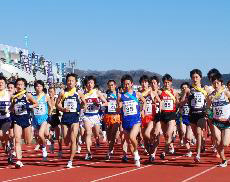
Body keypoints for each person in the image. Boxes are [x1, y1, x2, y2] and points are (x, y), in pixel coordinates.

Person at [56, 73, 86, 168]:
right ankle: (75, 143)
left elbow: (84, 104)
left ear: (76, 82)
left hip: (75, 118)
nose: (70, 82)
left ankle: (70, 160)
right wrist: (63, 109)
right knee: (66, 140)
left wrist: (82, 105)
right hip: (65, 118)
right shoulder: (62, 92)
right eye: (68, 80)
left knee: (73, 139)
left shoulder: (79, 92)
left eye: (72, 80)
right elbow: (57, 105)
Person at [118, 74, 146, 167]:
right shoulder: (121, 96)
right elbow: (119, 108)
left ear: (132, 84)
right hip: (126, 121)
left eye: (128, 84)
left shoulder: (137, 94)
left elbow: (144, 101)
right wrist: (119, 107)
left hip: (136, 120)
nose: (126, 86)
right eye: (124, 84)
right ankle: (135, 154)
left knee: (132, 137)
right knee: (129, 143)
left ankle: (136, 153)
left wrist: (143, 110)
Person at [181, 69, 209, 162]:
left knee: (198, 133)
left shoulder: (205, 89)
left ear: (200, 78)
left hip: (201, 114)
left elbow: (210, 100)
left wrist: (208, 111)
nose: (195, 79)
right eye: (193, 77)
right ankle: (201, 146)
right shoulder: (189, 89)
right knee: (196, 135)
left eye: (197, 77)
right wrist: (187, 98)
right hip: (192, 113)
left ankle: (197, 154)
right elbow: (181, 102)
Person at [11, 78, 38, 168]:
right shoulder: (13, 97)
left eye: (21, 84)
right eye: (18, 84)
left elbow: (36, 104)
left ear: (24, 86)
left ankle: (32, 131)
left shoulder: (27, 95)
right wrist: (11, 107)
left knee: (28, 142)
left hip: (26, 120)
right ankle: (19, 160)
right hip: (17, 119)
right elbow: (11, 108)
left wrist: (28, 106)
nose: (19, 86)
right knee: (17, 140)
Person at [207, 73, 230, 167]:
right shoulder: (210, 95)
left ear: (221, 83)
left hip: (226, 121)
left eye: (217, 83)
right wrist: (209, 115)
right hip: (216, 121)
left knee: (225, 143)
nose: (216, 85)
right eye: (214, 83)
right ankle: (223, 159)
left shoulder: (226, 93)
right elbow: (208, 108)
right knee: (217, 140)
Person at [82, 76, 107, 160]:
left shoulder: (97, 93)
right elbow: (81, 105)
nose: (89, 84)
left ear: (94, 84)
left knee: (96, 134)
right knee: (88, 133)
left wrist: (99, 105)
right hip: (87, 116)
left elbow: (106, 103)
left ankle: (97, 139)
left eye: (91, 83)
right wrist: (83, 105)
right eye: (88, 83)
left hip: (96, 116)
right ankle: (88, 152)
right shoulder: (83, 94)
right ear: (86, 84)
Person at [159, 74, 179, 160]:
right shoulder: (160, 92)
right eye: (165, 82)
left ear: (171, 83)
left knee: (168, 133)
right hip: (163, 115)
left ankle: (164, 152)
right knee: (166, 135)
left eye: (168, 82)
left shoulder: (174, 92)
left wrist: (177, 105)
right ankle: (170, 145)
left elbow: (178, 103)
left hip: (171, 115)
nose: (167, 84)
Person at [32, 80, 52, 161]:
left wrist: (49, 115)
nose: (38, 88)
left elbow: (50, 106)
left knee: (41, 134)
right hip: (35, 118)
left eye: (40, 86)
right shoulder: (32, 97)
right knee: (37, 137)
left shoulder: (46, 96)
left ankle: (44, 148)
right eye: (37, 86)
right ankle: (42, 144)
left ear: (42, 87)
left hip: (44, 118)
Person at [103, 80, 121, 160]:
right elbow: (103, 103)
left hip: (116, 116)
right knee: (109, 136)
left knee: (113, 135)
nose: (111, 86)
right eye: (109, 85)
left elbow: (121, 104)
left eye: (112, 85)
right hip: (108, 116)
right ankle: (111, 147)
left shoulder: (118, 95)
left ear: (115, 85)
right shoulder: (106, 95)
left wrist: (118, 105)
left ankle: (109, 152)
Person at [0, 76, 13, 164]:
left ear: (5, 84)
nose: (0, 84)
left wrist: (8, 110)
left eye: (2, 83)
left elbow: (14, 106)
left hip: (6, 118)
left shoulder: (9, 94)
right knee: (2, 139)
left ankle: (9, 151)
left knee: (2, 134)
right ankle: (7, 148)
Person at [47, 86, 62, 158]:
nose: (50, 93)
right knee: (46, 134)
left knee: (58, 137)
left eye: (51, 92)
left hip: (55, 118)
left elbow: (60, 107)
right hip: (49, 118)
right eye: (49, 91)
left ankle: (60, 149)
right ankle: (52, 142)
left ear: (54, 92)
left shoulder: (57, 99)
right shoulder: (47, 99)